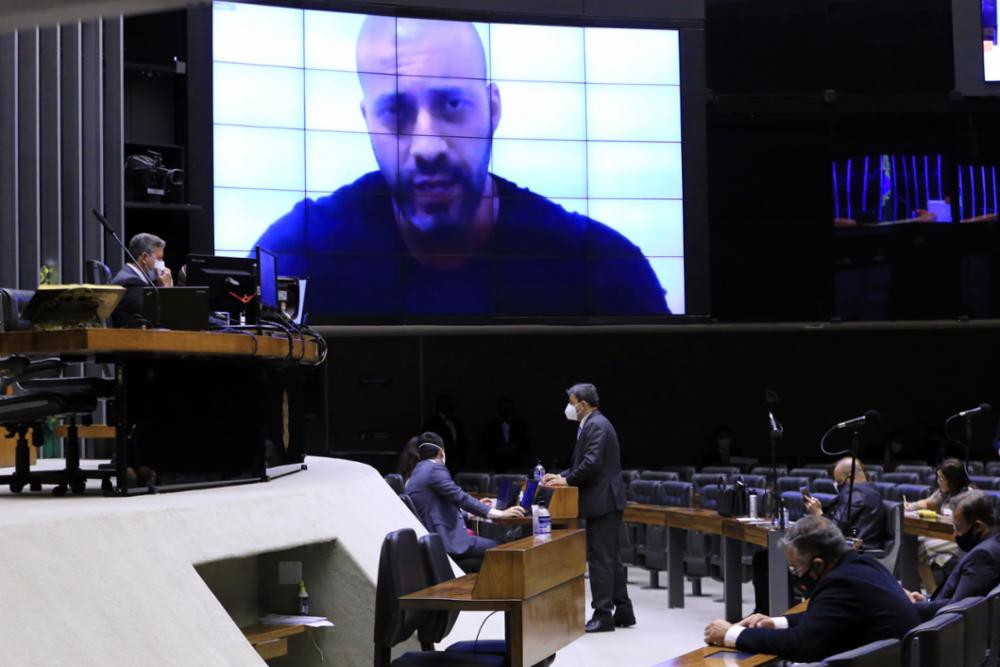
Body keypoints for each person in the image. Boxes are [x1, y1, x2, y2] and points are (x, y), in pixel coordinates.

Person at [252, 16, 668, 317]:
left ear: (492, 109)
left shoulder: (606, 269)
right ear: (367, 121)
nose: (427, 146)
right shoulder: (295, 253)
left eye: (452, 105)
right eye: (396, 112)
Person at [705, 515, 920, 663]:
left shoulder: (841, 583)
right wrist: (776, 622)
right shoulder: (863, 565)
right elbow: (826, 617)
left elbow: (802, 645)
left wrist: (732, 634)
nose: (795, 574)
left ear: (818, 564)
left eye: (796, 568)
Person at [542, 383, 633, 633]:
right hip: (604, 499)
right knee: (610, 557)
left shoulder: (596, 425)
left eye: (571, 402)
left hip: (603, 501)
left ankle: (603, 614)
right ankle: (624, 610)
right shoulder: (592, 424)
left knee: (600, 558)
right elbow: (583, 464)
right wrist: (559, 476)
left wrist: (567, 480)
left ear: (582, 404)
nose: (569, 408)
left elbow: (591, 463)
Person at [751, 457, 886, 614]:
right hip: (838, 550)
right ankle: (768, 613)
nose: (838, 486)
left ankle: (781, 614)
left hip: (844, 554)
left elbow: (831, 534)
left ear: (850, 477)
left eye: (840, 482)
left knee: (769, 559)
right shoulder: (863, 492)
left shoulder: (857, 496)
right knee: (765, 558)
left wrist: (818, 514)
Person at [405, 431, 524, 568]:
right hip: (449, 542)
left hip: (434, 541)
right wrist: (499, 513)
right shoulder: (435, 468)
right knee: (505, 547)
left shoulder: (416, 473)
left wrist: (471, 513)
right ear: (441, 451)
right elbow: (460, 497)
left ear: (419, 455)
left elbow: (436, 511)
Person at [905, 491, 1000, 619]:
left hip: (940, 629)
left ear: (978, 527)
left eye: (957, 527)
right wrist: (925, 601)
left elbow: (956, 609)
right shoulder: (993, 543)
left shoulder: (983, 556)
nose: (954, 535)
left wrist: (909, 606)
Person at [905, 458, 976, 593]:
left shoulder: (969, 495)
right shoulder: (944, 492)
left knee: (922, 547)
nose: (939, 481)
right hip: (945, 535)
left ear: (953, 479)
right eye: (938, 478)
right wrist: (910, 506)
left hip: (963, 539)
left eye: (942, 479)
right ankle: (933, 592)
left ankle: (935, 594)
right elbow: (927, 503)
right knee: (915, 544)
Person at [109, 233, 173, 328]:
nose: (162, 264)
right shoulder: (130, 283)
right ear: (144, 258)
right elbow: (158, 317)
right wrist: (167, 288)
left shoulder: (136, 279)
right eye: (159, 258)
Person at [481, 397, 529, 472]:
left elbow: (524, 443)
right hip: (496, 464)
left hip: (516, 465)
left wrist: (513, 448)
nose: (506, 412)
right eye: (504, 409)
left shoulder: (520, 425)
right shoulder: (491, 425)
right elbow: (486, 444)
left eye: (508, 409)